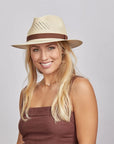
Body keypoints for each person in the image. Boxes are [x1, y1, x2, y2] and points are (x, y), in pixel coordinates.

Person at [12, 15, 98, 144]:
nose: (43, 57)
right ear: (30, 55)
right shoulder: (27, 93)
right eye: (36, 49)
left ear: (62, 50)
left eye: (51, 47)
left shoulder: (79, 87)